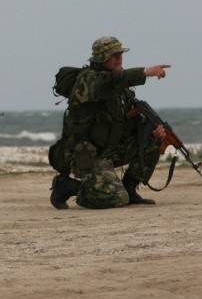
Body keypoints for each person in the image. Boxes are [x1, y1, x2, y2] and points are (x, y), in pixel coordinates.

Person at [50, 36, 171, 210]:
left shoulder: (119, 85)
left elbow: (126, 119)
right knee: (116, 198)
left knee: (152, 137)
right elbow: (108, 81)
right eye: (114, 55)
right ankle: (67, 186)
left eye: (120, 54)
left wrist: (153, 134)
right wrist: (145, 72)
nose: (119, 58)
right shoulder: (88, 80)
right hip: (86, 154)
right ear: (101, 58)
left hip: (110, 149)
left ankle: (130, 188)